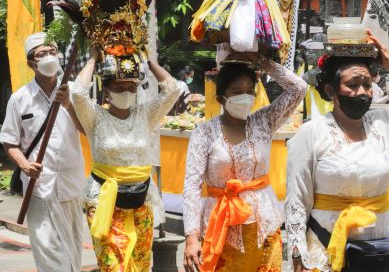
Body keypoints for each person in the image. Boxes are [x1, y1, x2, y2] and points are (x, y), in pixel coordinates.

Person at [286, 32, 389, 272]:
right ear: (331, 91)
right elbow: (297, 201)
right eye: (352, 85)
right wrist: (297, 256)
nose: (362, 92)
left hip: (378, 250)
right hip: (324, 247)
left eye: (367, 85)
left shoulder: (383, 123)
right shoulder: (312, 133)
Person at [183, 53, 307, 272]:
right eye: (237, 92)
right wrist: (191, 237)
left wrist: (262, 60)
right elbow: (191, 187)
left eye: (250, 91)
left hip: (265, 226)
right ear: (221, 98)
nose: (245, 97)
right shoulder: (204, 133)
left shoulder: (264, 121)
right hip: (222, 230)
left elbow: (299, 88)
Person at [69, 50, 181, 271]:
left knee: (139, 263)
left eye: (131, 88)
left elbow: (172, 89)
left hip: (141, 199)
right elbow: (78, 93)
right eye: (120, 88)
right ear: (107, 92)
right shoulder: (94, 117)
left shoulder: (145, 115)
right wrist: (93, 57)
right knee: (112, 264)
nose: (127, 92)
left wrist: (147, 61)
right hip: (105, 200)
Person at [0, 32, 86, 272]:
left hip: (71, 186)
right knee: (50, 257)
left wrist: (69, 105)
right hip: (39, 189)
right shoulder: (19, 99)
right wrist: (25, 165)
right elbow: (9, 142)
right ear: (31, 63)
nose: (48, 57)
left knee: (73, 253)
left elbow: (89, 130)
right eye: (41, 54)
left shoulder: (75, 93)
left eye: (52, 52)